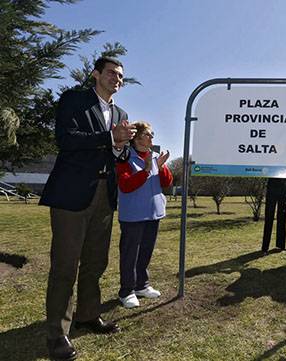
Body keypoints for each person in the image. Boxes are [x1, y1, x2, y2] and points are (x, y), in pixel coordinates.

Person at [39, 57, 136, 361]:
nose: (116, 79)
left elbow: (119, 157)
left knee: (96, 261)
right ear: (95, 74)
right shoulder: (74, 100)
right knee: (65, 265)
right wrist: (111, 138)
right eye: (111, 73)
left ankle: (88, 314)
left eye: (121, 76)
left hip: (104, 197)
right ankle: (57, 334)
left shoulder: (121, 113)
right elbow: (66, 139)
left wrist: (121, 147)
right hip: (72, 195)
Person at [116, 122, 172, 308]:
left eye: (152, 134)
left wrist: (161, 167)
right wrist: (147, 170)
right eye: (148, 134)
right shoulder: (125, 156)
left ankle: (142, 285)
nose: (151, 138)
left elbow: (166, 182)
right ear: (137, 137)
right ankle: (127, 291)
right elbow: (126, 185)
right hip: (133, 215)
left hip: (153, 213)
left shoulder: (154, 156)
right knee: (130, 254)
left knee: (146, 252)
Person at [261, 178, 286, 254]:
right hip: (272, 187)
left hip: (284, 187)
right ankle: (265, 247)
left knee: (282, 217)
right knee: (269, 217)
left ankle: (281, 245)